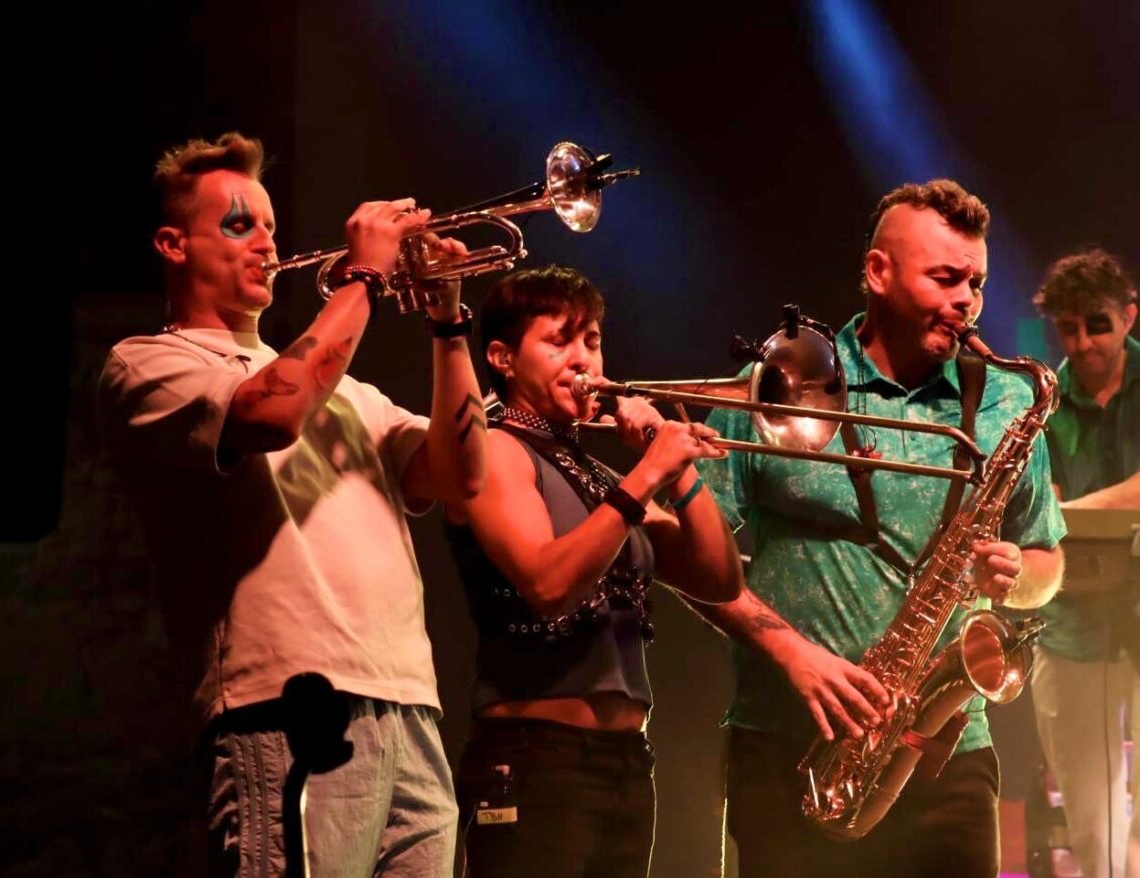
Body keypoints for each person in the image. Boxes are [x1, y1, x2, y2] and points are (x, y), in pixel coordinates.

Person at [97, 132, 486, 877]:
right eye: (239, 225)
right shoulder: (147, 364)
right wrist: (365, 278)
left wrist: (448, 317)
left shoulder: (356, 394)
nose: (266, 245)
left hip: (409, 706)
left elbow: (462, 475)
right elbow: (273, 415)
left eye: (271, 228)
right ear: (173, 245)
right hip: (284, 704)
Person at [692, 179, 1067, 877]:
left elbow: (1049, 562)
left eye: (977, 284)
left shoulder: (1010, 401)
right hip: (788, 751)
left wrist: (1020, 576)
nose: (967, 302)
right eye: (945, 277)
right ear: (876, 272)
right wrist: (790, 652)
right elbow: (679, 553)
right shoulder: (779, 384)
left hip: (944, 757)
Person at [443, 265, 742, 877]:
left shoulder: (602, 480)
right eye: (560, 341)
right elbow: (548, 585)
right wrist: (646, 476)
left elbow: (719, 578)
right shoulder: (497, 450)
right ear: (502, 357)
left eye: (593, 340)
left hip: (626, 762)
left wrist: (677, 462)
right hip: (534, 762)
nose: (584, 360)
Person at [1029, 248, 1138, 878]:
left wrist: (1071, 514)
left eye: (1097, 324)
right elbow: (1033, 505)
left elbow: (1056, 512)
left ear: (1128, 316)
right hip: (1069, 624)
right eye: (1068, 329)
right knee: (1092, 828)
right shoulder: (1040, 402)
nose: (1084, 342)